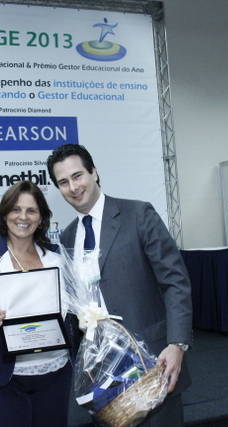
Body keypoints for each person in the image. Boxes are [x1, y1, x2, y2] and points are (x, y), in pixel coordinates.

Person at [47, 144, 193, 427]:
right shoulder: (67, 238)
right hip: (102, 374)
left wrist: (177, 344)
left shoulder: (137, 214)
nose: (73, 187)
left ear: (94, 173)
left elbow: (175, 282)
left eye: (78, 176)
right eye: (63, 182)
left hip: (153, 363)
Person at [0, 180, 77, 427]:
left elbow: (75, 307)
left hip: (56, 371)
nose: (23, 217)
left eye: (31, 211)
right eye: (16, 209)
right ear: (4, 214)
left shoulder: (59, 256)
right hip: (1, 375)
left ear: (41, 218)